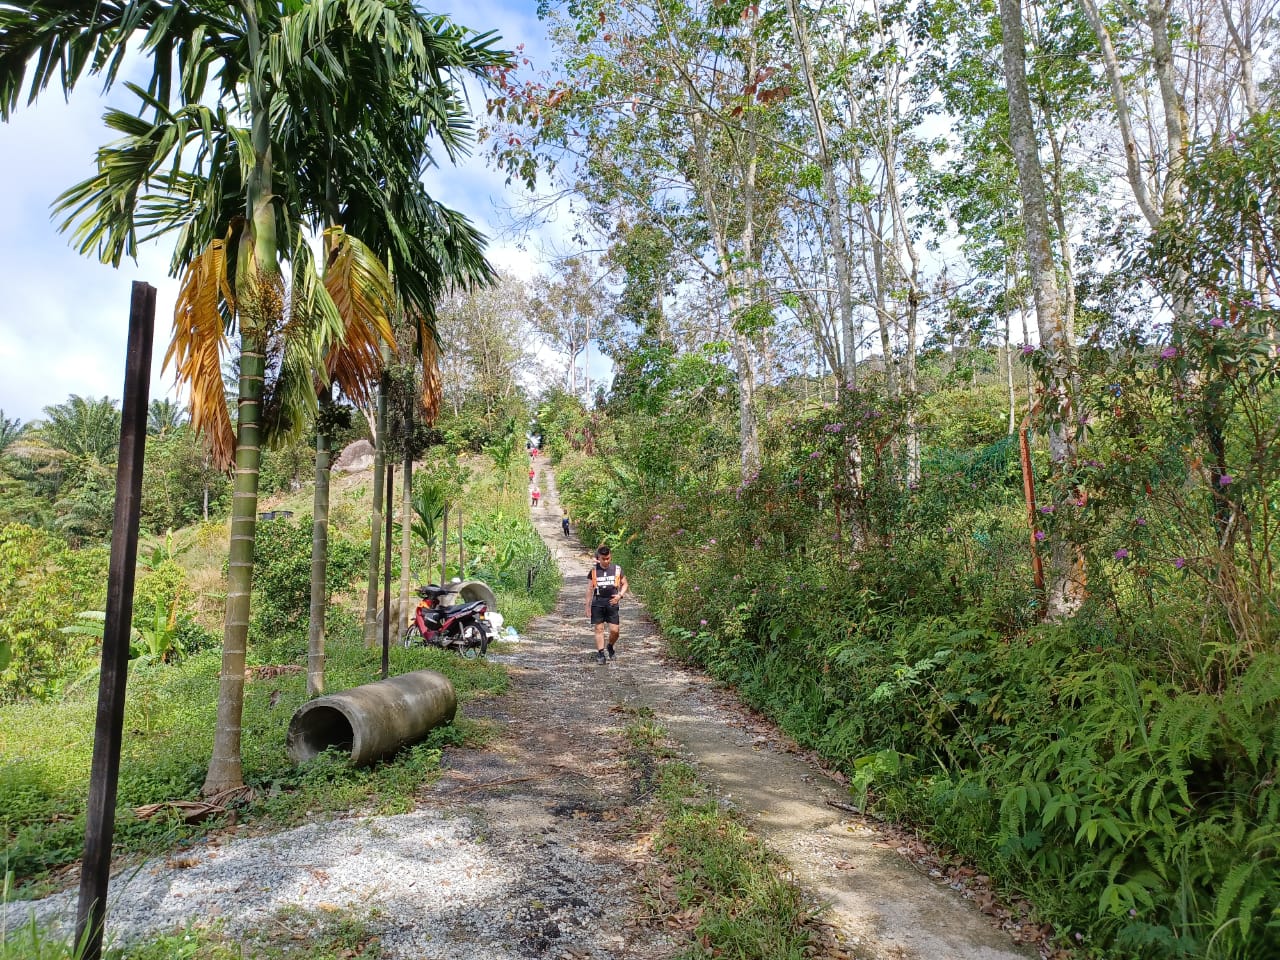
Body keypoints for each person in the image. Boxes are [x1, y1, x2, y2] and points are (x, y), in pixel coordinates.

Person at [585, 545, 627, 664]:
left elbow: (625, 584)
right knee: (599, 628)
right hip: (598, 602)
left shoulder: (617, 569)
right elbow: (589, 589)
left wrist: (620, 595)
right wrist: (587, 606)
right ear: (598, 558)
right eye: (603, 559)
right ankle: (601, 654)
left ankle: (610, 646)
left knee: (615, 631)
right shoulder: (593, 571)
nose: (606, 561)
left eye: (608, 558)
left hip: (612, 602)